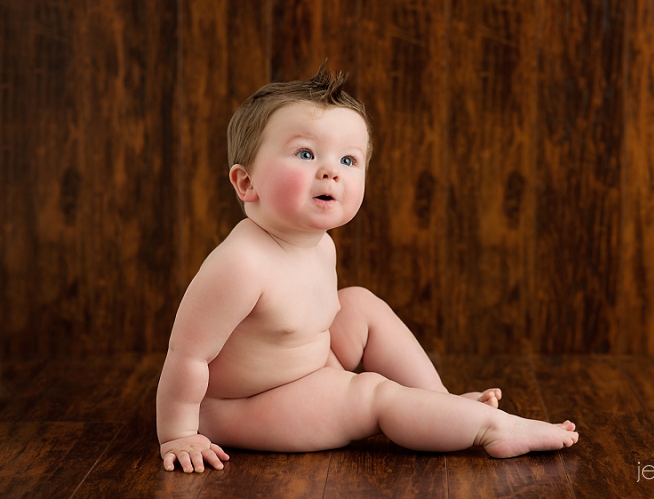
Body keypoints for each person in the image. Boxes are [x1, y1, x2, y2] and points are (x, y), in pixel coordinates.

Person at [156, 65, 578, 473]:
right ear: (247, 183)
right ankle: (494, 430)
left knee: (358, 304)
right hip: (245, 405)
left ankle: (438, 400)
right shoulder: (240, 264)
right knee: (371, 395)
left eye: (348, 160)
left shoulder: (320, 245)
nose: (330, 171)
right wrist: (178, 433)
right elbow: (187, 355)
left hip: (310, 367)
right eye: (306, 153)